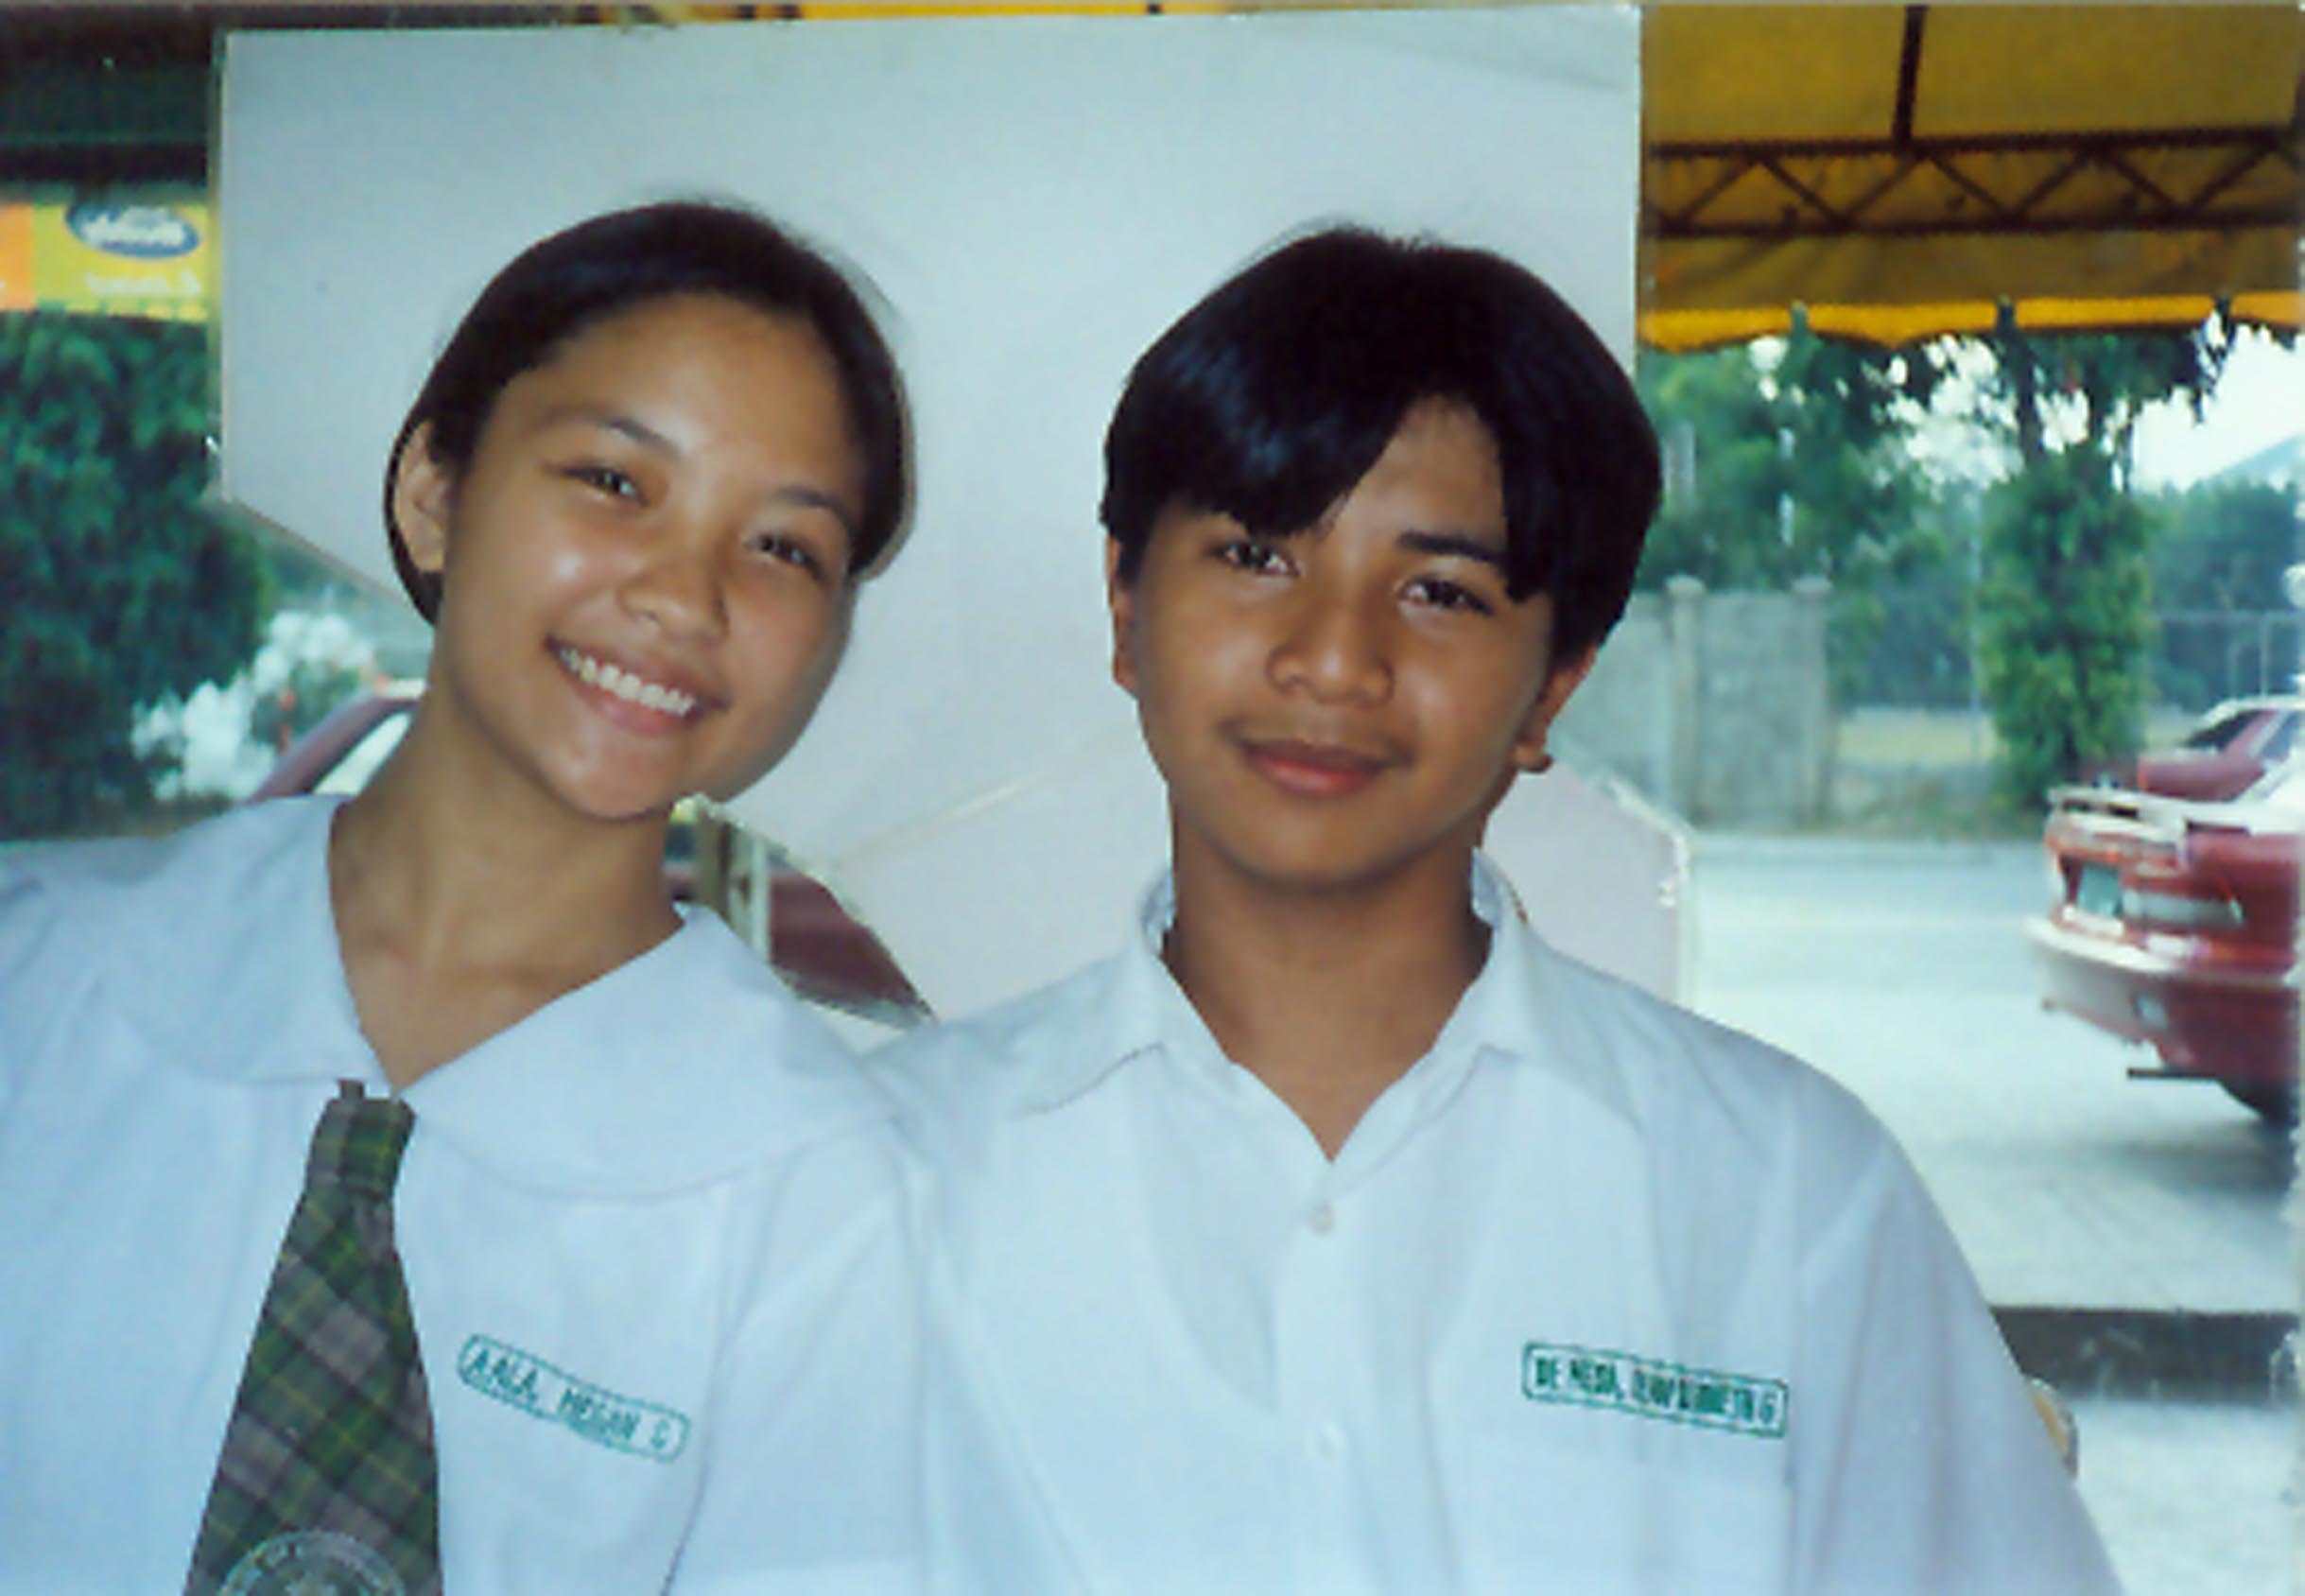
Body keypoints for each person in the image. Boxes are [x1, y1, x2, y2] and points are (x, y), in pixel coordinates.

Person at [873, 227, 2120, 1591]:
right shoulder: (891, 1177)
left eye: (1438, 591)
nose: (1333, 660)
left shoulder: (1787, 1195)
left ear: (1550, 688)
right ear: (1124, 604)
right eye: (1257, 554)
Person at [0, 200, 926, 1591]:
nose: (685, 598)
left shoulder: (826, 1195)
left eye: (784, 547)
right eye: (615, 481)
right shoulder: (36, 979)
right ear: (434, 493)